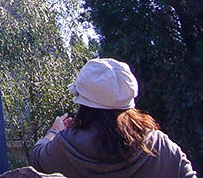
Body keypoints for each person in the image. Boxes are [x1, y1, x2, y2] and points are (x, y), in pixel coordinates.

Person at [30, 58, 197, 178]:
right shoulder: (159, 144)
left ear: (84, 104)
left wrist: (54, 131)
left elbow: (37, 158)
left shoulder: (66, 146)